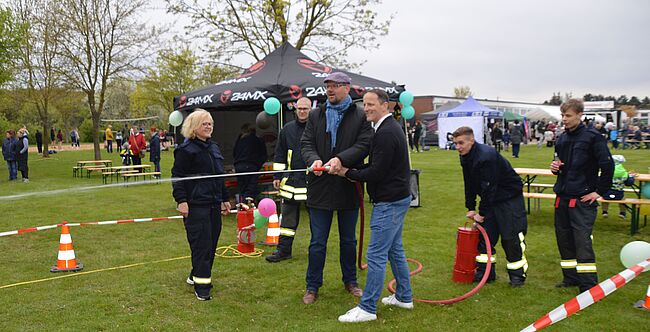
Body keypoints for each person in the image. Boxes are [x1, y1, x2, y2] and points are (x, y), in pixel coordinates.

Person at [335, 89, 413, 323]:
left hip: (389, 202)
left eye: (371, 104)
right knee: (394, 250)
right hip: (397, 198)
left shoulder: (387, 132)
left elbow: (377, 172)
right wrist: (351, 169)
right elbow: (379, 163)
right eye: (365, 104)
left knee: (376, 254)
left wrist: (348, 172)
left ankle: (367, 308)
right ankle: (404, 297)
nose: (366, 108)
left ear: (385, 105)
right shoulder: (385, 129)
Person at [300, 71, 372, 305]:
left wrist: (341, 159)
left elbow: (364, 144)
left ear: (347, 88)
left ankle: (350, 281)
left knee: (348, 240)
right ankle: (312, 286)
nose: (330, 90)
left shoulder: (360, 116)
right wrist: (314, 159)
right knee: (317, 241)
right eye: (328, 85)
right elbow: (306, 143)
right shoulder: (315, 115)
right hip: (320, 187)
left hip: (347, 185)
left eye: (335, 85)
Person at [550, 98, 613, 293]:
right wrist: (555, 168)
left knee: (582, 242)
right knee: (564, 240)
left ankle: (588, 284)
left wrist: (599, 192)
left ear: (579, 115)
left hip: (582, 200)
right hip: (562, 197)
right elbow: (560, 164)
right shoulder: (561, 138)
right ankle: (570, 278)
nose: (564, 119)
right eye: (562, 115)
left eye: (568, 115)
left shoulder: (593, 137)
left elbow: (607, 165)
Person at [452, 126, 528, 287]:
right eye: (455, 143)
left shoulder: (486, 156)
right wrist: (470, 207)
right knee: (485, 237)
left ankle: (517, 276)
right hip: (492, 197)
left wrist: (482, 213)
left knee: (510, 237)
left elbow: (489, 188)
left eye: (461, 143)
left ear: (471, 140)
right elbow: (469, 183)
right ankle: (485, 274)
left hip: (508, 198)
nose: (457, 147)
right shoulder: (465, 156)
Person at [172, 109, 231, 301]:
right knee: (201, 245)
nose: (209, 126)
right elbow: (177, 177)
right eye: (205, 123)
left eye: (211, 123)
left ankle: (195, 274)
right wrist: (181, 201)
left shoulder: (214, 148)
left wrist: (224, 199)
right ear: (194, 127)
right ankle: (202, 287)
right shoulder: (185, 150)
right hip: (196, 206)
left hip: (214, 204)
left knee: (211, 243)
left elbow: (219, 177)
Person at [266, 97, 311, 263]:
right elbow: (280, 153)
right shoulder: (287, 129)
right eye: (299, 108)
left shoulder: (316, 128)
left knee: (317, 220)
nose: (302, 111)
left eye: (305, 109)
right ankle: (284, 250)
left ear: (310, 109)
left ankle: (316, 251)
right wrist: (277, 176)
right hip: (291, 181)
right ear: (295, 109)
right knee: (287, 220)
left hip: (311, 181)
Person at [233, 123, 267, 202]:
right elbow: (263, 155)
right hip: (251, 166)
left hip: (239, 167)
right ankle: (248, 207)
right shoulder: (257, 139)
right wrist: (257, 166)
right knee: (250, 190)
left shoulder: (239, 140)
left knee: (242, 189)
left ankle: (241, 208)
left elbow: (234, 153)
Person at [601, 155, 635, 219]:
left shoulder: (607, 171)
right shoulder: (623, 172)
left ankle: (604, 211)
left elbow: (600, 181)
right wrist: (631, 176)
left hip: (606, 194)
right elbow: (629, 183)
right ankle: (622, 213)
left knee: (604, 200)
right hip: (619, 195)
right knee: (623, 199)